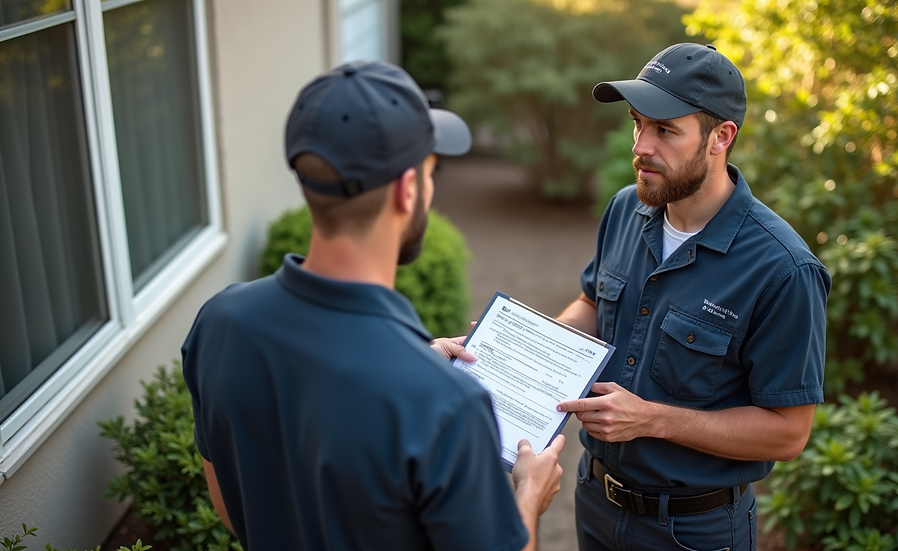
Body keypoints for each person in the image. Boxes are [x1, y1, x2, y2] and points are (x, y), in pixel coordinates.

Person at [181, 60, 565, 551]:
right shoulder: (448, 407)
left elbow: (232, 510)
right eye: (432, 172)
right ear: (408, 190)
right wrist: (529, 497)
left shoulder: (219, 322)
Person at [553, 43, 831, 550]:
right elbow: (592, 303)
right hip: (594, 498)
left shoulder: (783, 269)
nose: (640, 146)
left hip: (691, 530)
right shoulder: (624, 209)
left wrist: (652, 420)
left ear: (721, 137)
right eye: (638, 124)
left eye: (665, 130)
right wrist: (522, 350)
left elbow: (788, 433)